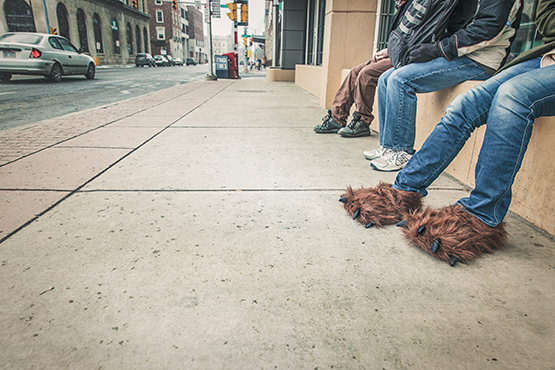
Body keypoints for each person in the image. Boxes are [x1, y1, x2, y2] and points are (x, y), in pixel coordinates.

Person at [341, 0, 555, 267]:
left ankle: (482, 214)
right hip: (545, 58)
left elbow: (489, 25)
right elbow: (547, 21)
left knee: (513, 97)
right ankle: (404, 190)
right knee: (466, 103)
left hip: (482, 57)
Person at [367, 0, 524, 171]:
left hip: (481, 60)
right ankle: (388, 146)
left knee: (400, 79)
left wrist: (438, 49)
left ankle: (401, 151)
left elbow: (488, 30)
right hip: (457, 55)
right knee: (385, 78)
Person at [314, 0, 467, 138]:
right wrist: (388, 49)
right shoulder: (409, 6)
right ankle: (337, 118)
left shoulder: (433, 6)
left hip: (410, 55)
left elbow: (423, 36)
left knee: (367, 74)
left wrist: (392, 51)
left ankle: (362, 120)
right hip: (397, 51)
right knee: (355, 71)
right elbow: (404, 34)